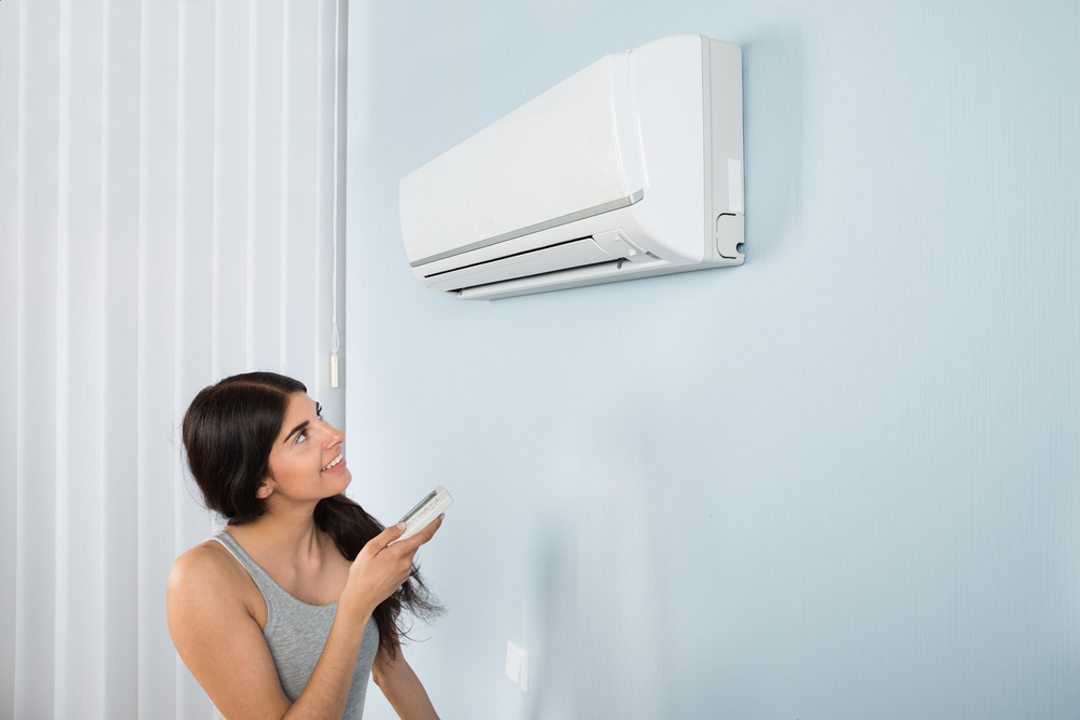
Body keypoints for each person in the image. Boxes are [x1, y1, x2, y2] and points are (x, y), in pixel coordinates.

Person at [167, 371, 444, 719]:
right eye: (301, 436)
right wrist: (355, 606)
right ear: (259, 481)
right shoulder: (202, 579)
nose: (335, 435)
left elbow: (391, 670)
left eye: (319, 415)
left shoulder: (345, 531)